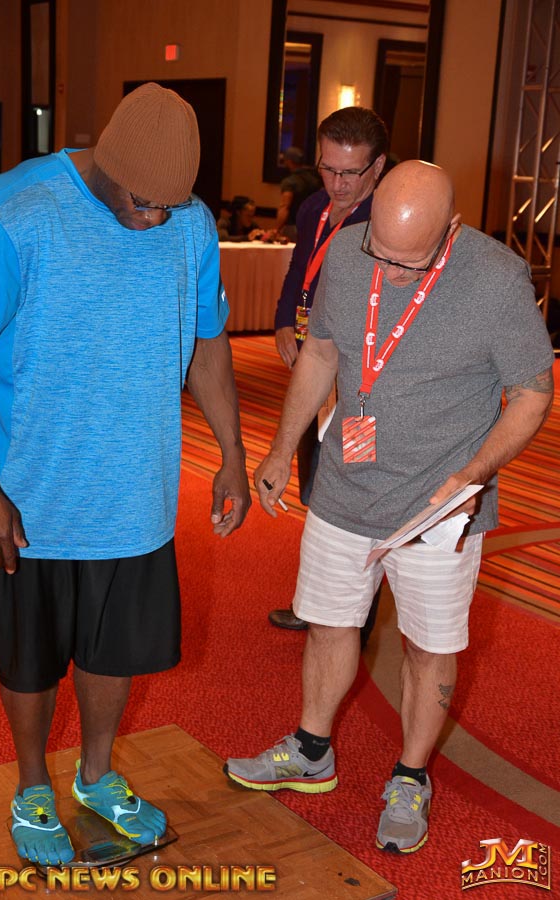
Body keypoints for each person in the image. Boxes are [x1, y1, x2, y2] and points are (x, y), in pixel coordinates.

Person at [225, 160, 553, 854]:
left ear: (451, 230)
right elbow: (321, 353)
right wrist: (281, 449)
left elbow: (533, 392)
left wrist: (473, 473)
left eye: (411, 262)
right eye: (383, 252)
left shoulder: (497, 280)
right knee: (328, 623)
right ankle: (312, 749)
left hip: (438, 507)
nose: (392, 274)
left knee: (429, 647)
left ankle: (410, 776)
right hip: (345, 486)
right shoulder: (349, 250)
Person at [0, 83, 251, 866]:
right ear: (107, 163)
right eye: (141, 203)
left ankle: (96, 776)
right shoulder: (6, 213)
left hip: (136, 495)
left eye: (169, 206)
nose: (156, 220)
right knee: (29, 658)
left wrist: (232, 453)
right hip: (30, 498)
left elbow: (208, 339)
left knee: (113, 652)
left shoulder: (190, 224)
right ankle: (31, 786)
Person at [269, 106, 388, 633]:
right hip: (313, 373)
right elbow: (301, 268)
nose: (336, 184)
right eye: (327, 168)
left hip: (364, 388)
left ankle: (353, 621)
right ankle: (319, 601)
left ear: (378, 167)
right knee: (315, 487)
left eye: (350, 173)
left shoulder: (390, 220)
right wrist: (283, 319)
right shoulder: (314, 206)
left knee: (356, 490)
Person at [272, 146, 322, 241]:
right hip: (314, 226)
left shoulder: (290, 182)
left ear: (289, 162)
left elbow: (285, 206)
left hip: (293, 228)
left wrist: (276, 229)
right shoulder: (315, 180)